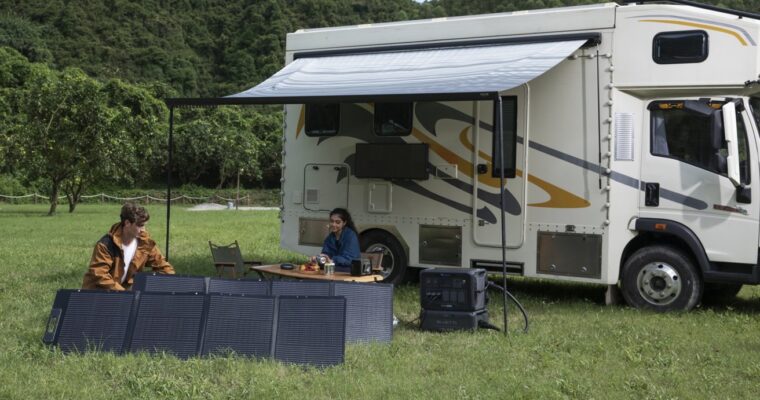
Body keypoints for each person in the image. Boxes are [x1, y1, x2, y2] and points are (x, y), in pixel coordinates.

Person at [82, 202, 175, 290]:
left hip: (122, 295)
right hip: (97, 295)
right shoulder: (105, 245)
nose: (143, 229)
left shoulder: (144, 243)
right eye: (140, 225)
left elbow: (165, 268)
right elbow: (99, 275)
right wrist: (125, 294)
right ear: (127, 223)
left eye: (144, 225)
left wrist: (154, 285)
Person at [312, 208, 361, 273]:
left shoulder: (351, 236)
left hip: (348, 271)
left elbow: (349, 259)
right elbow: (326, 254)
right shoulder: (329, 238)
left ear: (344, 223)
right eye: (332, 221)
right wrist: (319, 258)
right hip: (332, 269)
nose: (333, 224)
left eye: (337, 222)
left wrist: (332, 260)